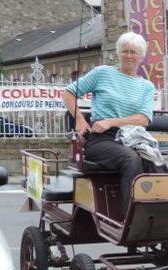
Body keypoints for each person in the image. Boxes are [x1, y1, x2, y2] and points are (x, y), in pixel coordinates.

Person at [63, 32, 156, 207]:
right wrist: (80, 120)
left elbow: (143, 119)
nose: (128, 56)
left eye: (133, 52)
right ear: (118, 53)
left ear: (141, 57)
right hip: (101, 138)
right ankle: (132, 216)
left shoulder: (146, 86)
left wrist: (111, 121)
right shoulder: (103, 73)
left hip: (133, 138)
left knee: (158, 163)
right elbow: (68, 93)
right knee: (130, 159)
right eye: (125, 51)